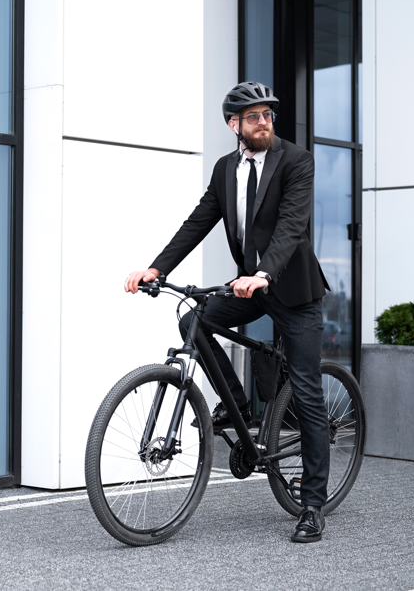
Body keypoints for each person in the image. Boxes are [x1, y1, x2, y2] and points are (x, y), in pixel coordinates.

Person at [124, 81, 331, 543]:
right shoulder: (225, 170)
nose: (264, 122)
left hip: (293, 290)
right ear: (232, 124)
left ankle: (312, 505)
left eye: (268, 115)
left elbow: (293, 226)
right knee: (194, 320)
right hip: (251, 287)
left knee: (307, 391)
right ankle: (236, 407)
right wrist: (156, 268)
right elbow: (198, 222)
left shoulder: (296, 161)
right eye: (254, 116)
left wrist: (264, 273)